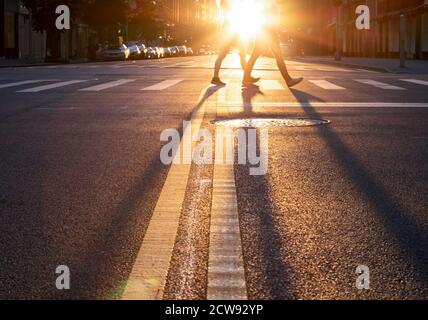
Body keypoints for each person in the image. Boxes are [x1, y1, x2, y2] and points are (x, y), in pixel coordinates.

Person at [243, 0, 303, 88]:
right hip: (267, 31)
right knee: (278, 56)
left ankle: (246, 77)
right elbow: (268, 15)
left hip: (263, 30)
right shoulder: (269, 3)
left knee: (255, 55)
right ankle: (288, 80)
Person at [211, 0, 259, 86]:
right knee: (241, 53)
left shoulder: (227, 6)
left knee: (233, 54)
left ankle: (216, 77)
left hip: (230, 33)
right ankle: (247, 77)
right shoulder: (228, 6)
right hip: (230, 33)